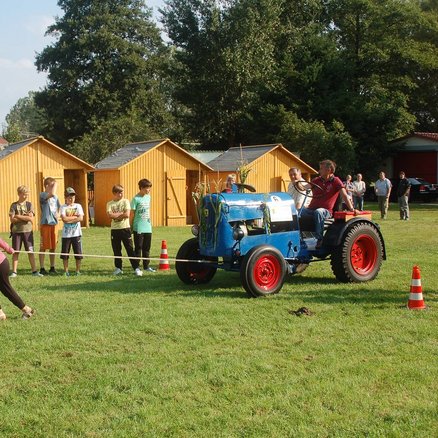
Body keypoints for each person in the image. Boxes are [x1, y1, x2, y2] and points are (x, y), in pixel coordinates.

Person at [300, 159, 357, 248]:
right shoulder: (317, 180)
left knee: (319, 212)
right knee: (299, 211)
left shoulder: (336, 181)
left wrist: (352, 209)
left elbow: (345, 195)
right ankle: (299, 237)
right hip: (311, 209)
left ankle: (319, 239)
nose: (319, 171)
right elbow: (303, 188)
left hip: (326, 211)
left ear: (329, 170)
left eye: (321, 169)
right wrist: (295, 179)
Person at [106, 184, 142, 276]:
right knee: (116, 250)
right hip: (115, 230)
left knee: (130, 249)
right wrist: (120, 214)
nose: (121, 194)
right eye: (119, 193)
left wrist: (117, 216)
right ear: (114, 193)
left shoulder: (126, 201)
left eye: (122, 192)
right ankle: (118, 268)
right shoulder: (109, 204)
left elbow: (127, 214)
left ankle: (136, 268)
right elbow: (110, 215)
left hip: (125, 229)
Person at [8, 185, 42, 277]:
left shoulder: (29, 205)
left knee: (30, 251)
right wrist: (24, 217)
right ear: (19, 194)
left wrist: (18, 216)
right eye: (24, 194)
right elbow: (12, 220)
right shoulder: (14, 205)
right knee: (16, 252)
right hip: (16, 232)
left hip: (28, 231)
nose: (26, 196)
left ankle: (34, 271)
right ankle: (14, 272)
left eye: (27, 194)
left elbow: (30, 218)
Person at [0, 237, 34, 321]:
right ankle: (1, 314)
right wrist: (9, 249)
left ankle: (27, 310)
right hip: (3, 263)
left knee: (6, 289)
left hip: (0, 265)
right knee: (6, 289)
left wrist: (9, 249)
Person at [131, 179, 156, 273]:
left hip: (148, 227)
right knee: (138, 248)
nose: (148, 190)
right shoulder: (135, 199)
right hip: (138, 227)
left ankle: (146, 266)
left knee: (147, 248)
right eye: (147, 188)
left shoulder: (148, 197)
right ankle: (137, 267)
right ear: (141, 188)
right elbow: (132, 214)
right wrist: (131, 226)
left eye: (149, 188)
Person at [39, 177, 61, 275]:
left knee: (53, 246)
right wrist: (55, 183)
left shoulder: (55, 197)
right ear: (47, 186)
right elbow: (51, 193)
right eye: (52, 186)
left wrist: (58, 214)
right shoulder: (42, 194)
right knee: (44, 246)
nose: (54, 188)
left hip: (54, 224)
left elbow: (59, 206)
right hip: (45, 224)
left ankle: (52, 267)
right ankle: (42, 267)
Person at [60, 187, 84, 276]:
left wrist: (69, 219)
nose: (71, 199)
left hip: (76, 234)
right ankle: (66, 271)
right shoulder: (63, 207)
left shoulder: (78, 206)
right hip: (66, 235)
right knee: (65, 254)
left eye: (73, 197)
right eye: (69, 197)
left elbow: (81, 218)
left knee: (78, 254)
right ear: (65, 197)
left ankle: (78, 271)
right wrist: (75, 217)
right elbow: (64, 219)